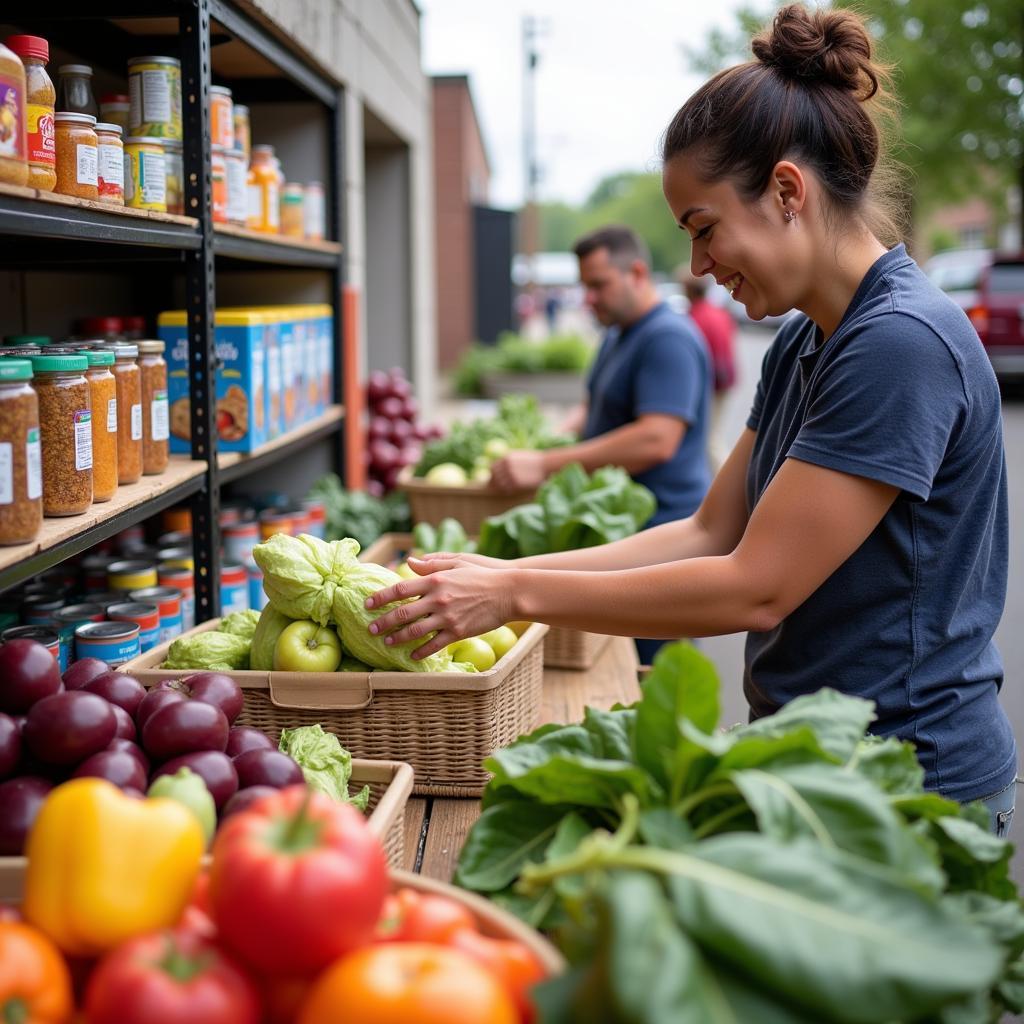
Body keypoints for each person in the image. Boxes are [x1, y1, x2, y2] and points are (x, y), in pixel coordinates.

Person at [365, 5, 1017, 833]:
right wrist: (506, 572)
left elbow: (756, 587)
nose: (700, 267)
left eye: (705, 230)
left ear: (787, 191)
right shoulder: (807, 341)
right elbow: (711, 531)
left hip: (911, 785)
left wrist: (517, 593)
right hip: (824, 767)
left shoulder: (899, 343)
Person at [490, 225, 712, 533]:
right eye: (584, 287)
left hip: (660, 525)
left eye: (598, 285)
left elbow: (657, 439)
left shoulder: (668, 338)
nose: (589, 298)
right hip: (616, 517)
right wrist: (549, 439)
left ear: (636, 273)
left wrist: (543, 464)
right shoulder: (616, 332)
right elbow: (592, 404)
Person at [680, 270, 738, 470]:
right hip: (725, 380)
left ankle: (727, 483)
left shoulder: (694, 318)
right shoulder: (720, 313)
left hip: (711, 384)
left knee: (709, 439)